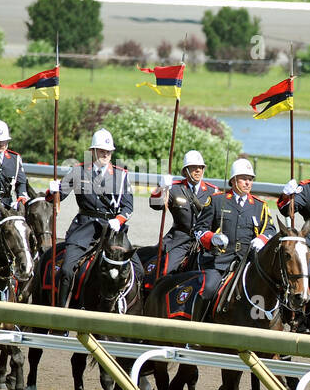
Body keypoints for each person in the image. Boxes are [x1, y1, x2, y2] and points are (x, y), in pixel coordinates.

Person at [46, 128, 134, 306]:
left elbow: (128, 206)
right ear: (93, 151)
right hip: (84, 228)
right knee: (67, 269)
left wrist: (119, 220)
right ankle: (61, 311)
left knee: (137, 268)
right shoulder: (78, 171)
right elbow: (57, 198)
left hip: (112, 231)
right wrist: (53, 190)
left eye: (108, 151)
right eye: (102, 151)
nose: (105, 154)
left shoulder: (121, 175)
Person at [148, 150, 216, 283]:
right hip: (181, 240)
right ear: (185, 171)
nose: (198, 171)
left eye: (200, 167)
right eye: (193, 167)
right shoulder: (174, 189)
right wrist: (160, 188)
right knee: (165, 272)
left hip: (204, 240)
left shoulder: (212, 191)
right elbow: (155, 205)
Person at [196, 158, 272, 275]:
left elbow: (270, 230)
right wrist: (212, 238)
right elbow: (199, 229)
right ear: (233, 180)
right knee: (209, 288)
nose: (248, 183)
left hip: (248, 264)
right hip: (219, 262)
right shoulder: (216, 201)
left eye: (250, 179)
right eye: (244, 179)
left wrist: (261, 239)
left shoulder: (260, 206)